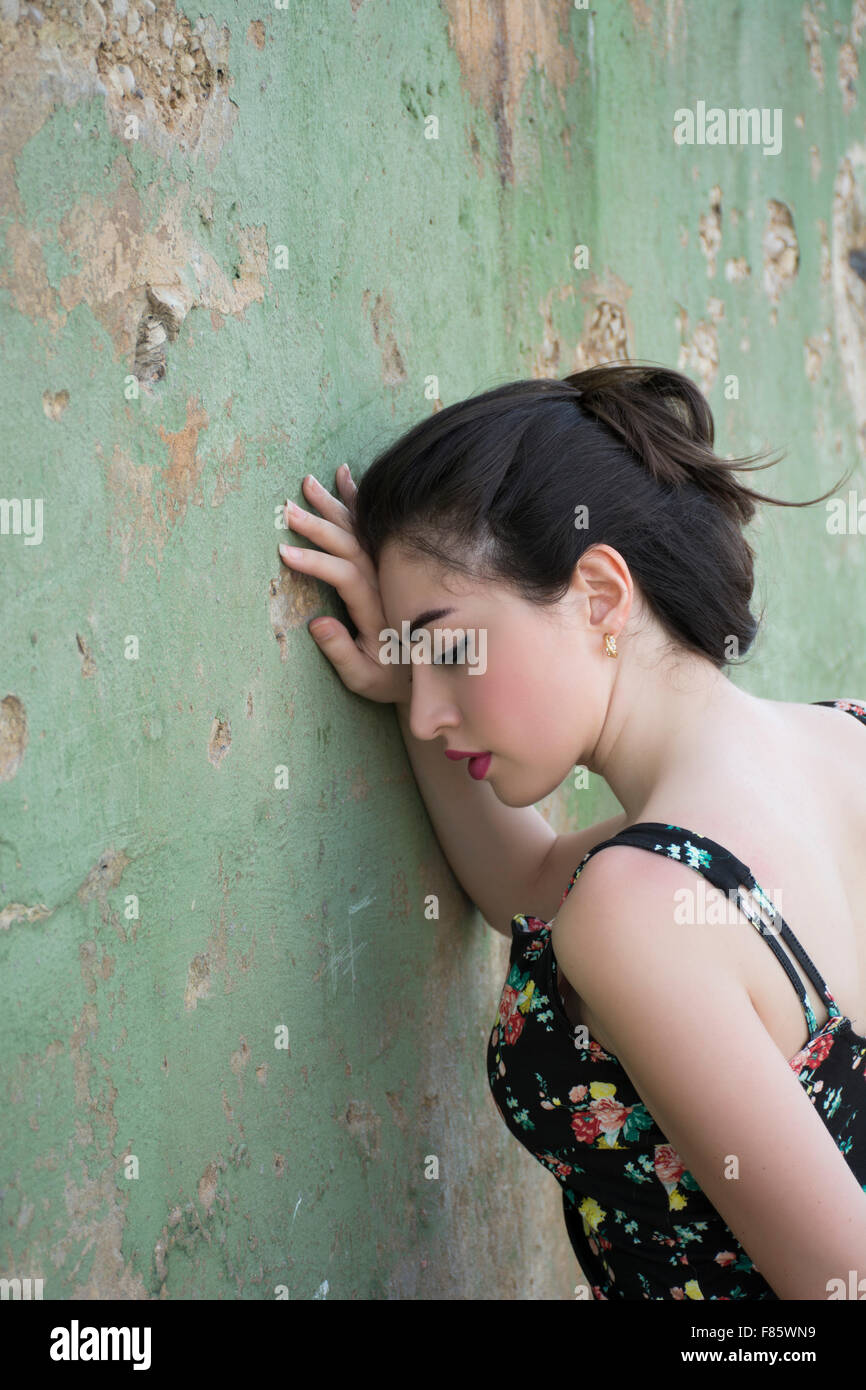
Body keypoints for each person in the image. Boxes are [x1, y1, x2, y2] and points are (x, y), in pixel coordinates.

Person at [277, 360, 866, 1300]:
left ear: (599, 595)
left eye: (452, 647)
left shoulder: (643, 905)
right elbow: (524, 888)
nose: (428, 710)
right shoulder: (842, 742)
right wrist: (415, 683)